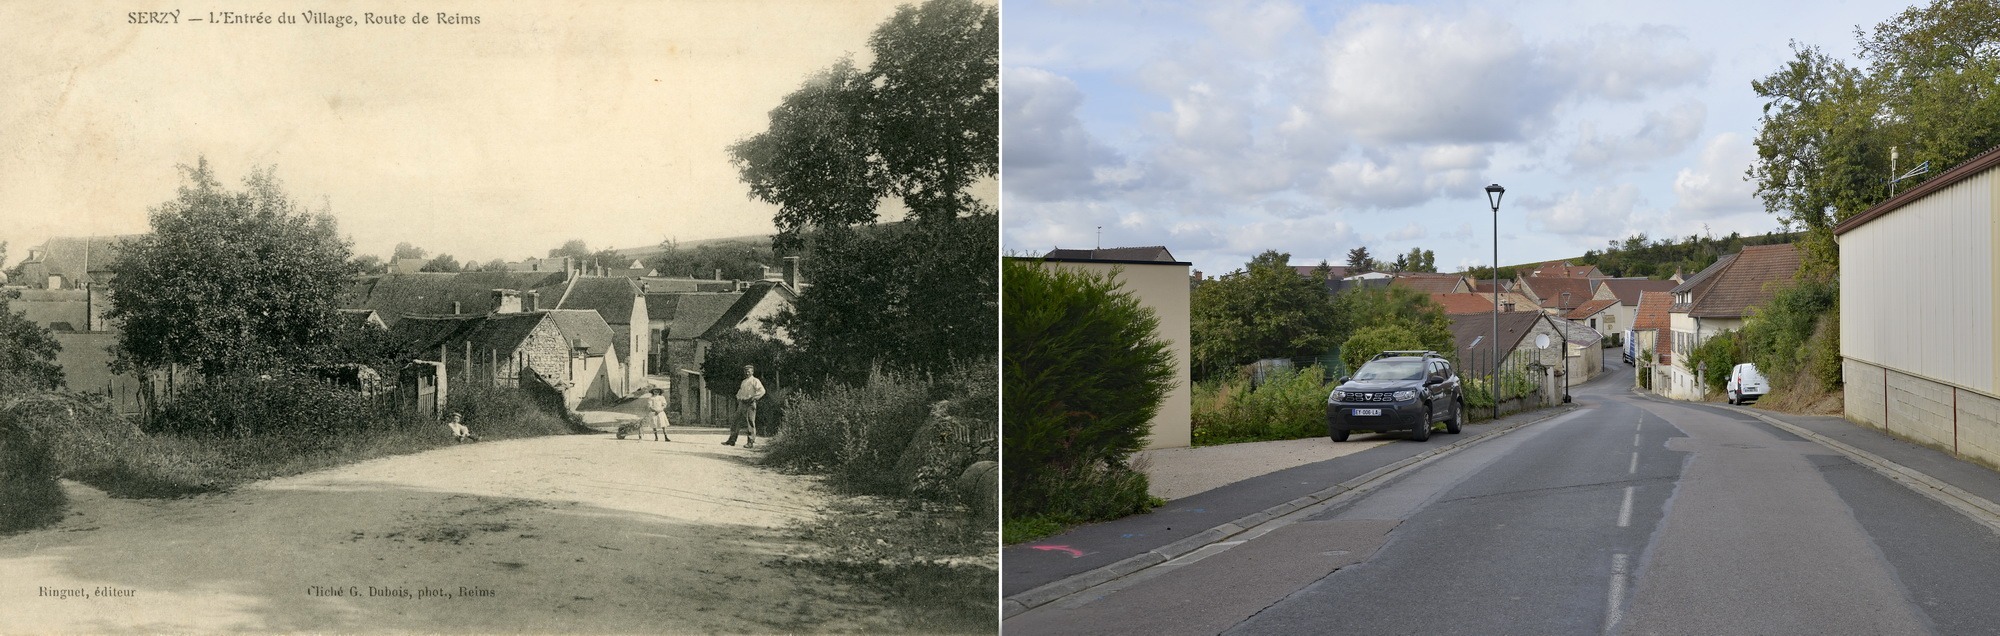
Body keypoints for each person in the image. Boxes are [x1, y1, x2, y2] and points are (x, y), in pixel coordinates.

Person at [724, 364, 766, 447]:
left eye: (748, 371)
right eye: (745, 371)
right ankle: (732, 440)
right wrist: (739, 397)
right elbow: (740, 392)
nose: (747, 373)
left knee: (750, 422)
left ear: (752, 372)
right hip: (742, 403)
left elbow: (762, 391)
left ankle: (750, 442)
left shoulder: (755, 381)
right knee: (735, 421)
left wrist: (754, 398)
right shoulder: (743, 382)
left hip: (750, 404)